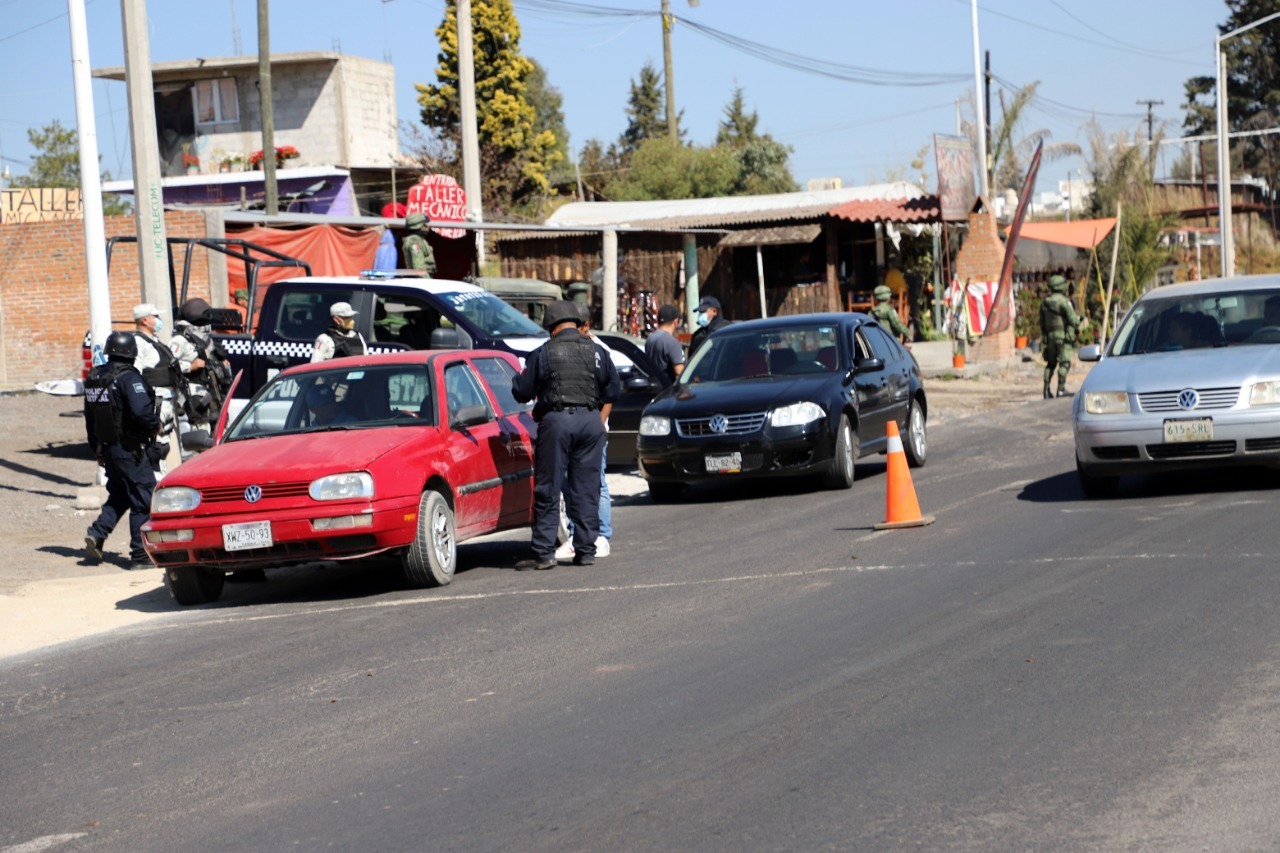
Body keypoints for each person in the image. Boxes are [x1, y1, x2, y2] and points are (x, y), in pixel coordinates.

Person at [512, 300, 620, 570]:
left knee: (549, 488)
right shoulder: (597, 352)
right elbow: (613, 389)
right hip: (591, 422)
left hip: (557, 422)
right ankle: (585, 551)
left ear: (552, 327)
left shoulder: (543, 353)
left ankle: (545, 553)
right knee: (586, 489)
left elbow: (522, 391)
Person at [83, 331, 162, 571]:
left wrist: (97, 448)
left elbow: (90, 418)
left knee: (120, 494)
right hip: (130, 449)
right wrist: (155, 425)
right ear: (131, 353)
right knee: (143, 499)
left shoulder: (95, 377)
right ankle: (140, 555)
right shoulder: (129, 378)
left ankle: (97, 534)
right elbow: (140, 412)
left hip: (107, 449)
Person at [556, 304, 617, 562]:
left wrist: (598, 424)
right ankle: (577, 534)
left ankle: (601, 535)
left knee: (596, 483)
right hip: (572, 428)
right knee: (570, 484)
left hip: (593, 429)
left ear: (585, 326)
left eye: (574, 327)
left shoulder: (599, 351)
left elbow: (610, 394)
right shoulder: (567, 350)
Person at [170, 298, 233, 451]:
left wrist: (221, 365)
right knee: (202, 433)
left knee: (222, 426)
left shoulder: (206, 339)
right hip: (196, 395)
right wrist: (190, 366)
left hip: (213, 390)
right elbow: (169, 365)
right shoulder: (180, 340)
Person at [132, 303, 181, 473]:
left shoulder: (154, 341)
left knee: (163, 442)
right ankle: (156, 481)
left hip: (166, 398)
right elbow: (135, 374)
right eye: (156, 317)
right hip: (156, 401)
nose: (159, 320)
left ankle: (161, 476)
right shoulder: (139, 342)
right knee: (156, 445)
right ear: (145, 320)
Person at [1040, 275, 1082, 399]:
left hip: (1050, 337)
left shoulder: (1045, 303)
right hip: (1063, 337)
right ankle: (1061, 389)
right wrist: (1079, 324)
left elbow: (1042, 323)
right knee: (1064, 363)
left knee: (1051, 364)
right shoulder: (1064, 302)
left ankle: (1046, 390)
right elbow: (1073, 319)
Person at [645, 303, 686, 383]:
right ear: (675, 321)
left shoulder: (650, 339)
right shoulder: (672, 343)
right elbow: (679, 373)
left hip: (654, 388)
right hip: (668, 389)